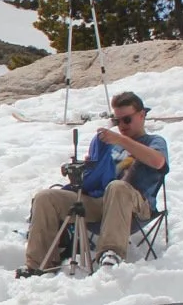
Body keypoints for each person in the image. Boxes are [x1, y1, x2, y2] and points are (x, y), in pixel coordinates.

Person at [19, 91, 169, 275]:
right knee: (46, 197)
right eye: (117, 121)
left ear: (141, 115)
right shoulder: (108, 143)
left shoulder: (154, 141)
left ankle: (111, 252)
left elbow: (158, 162)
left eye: (127, 120)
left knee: (117, 187)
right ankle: (39, 265)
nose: (122, 125)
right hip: (100, 201)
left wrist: (122, 140)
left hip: (136, 206)